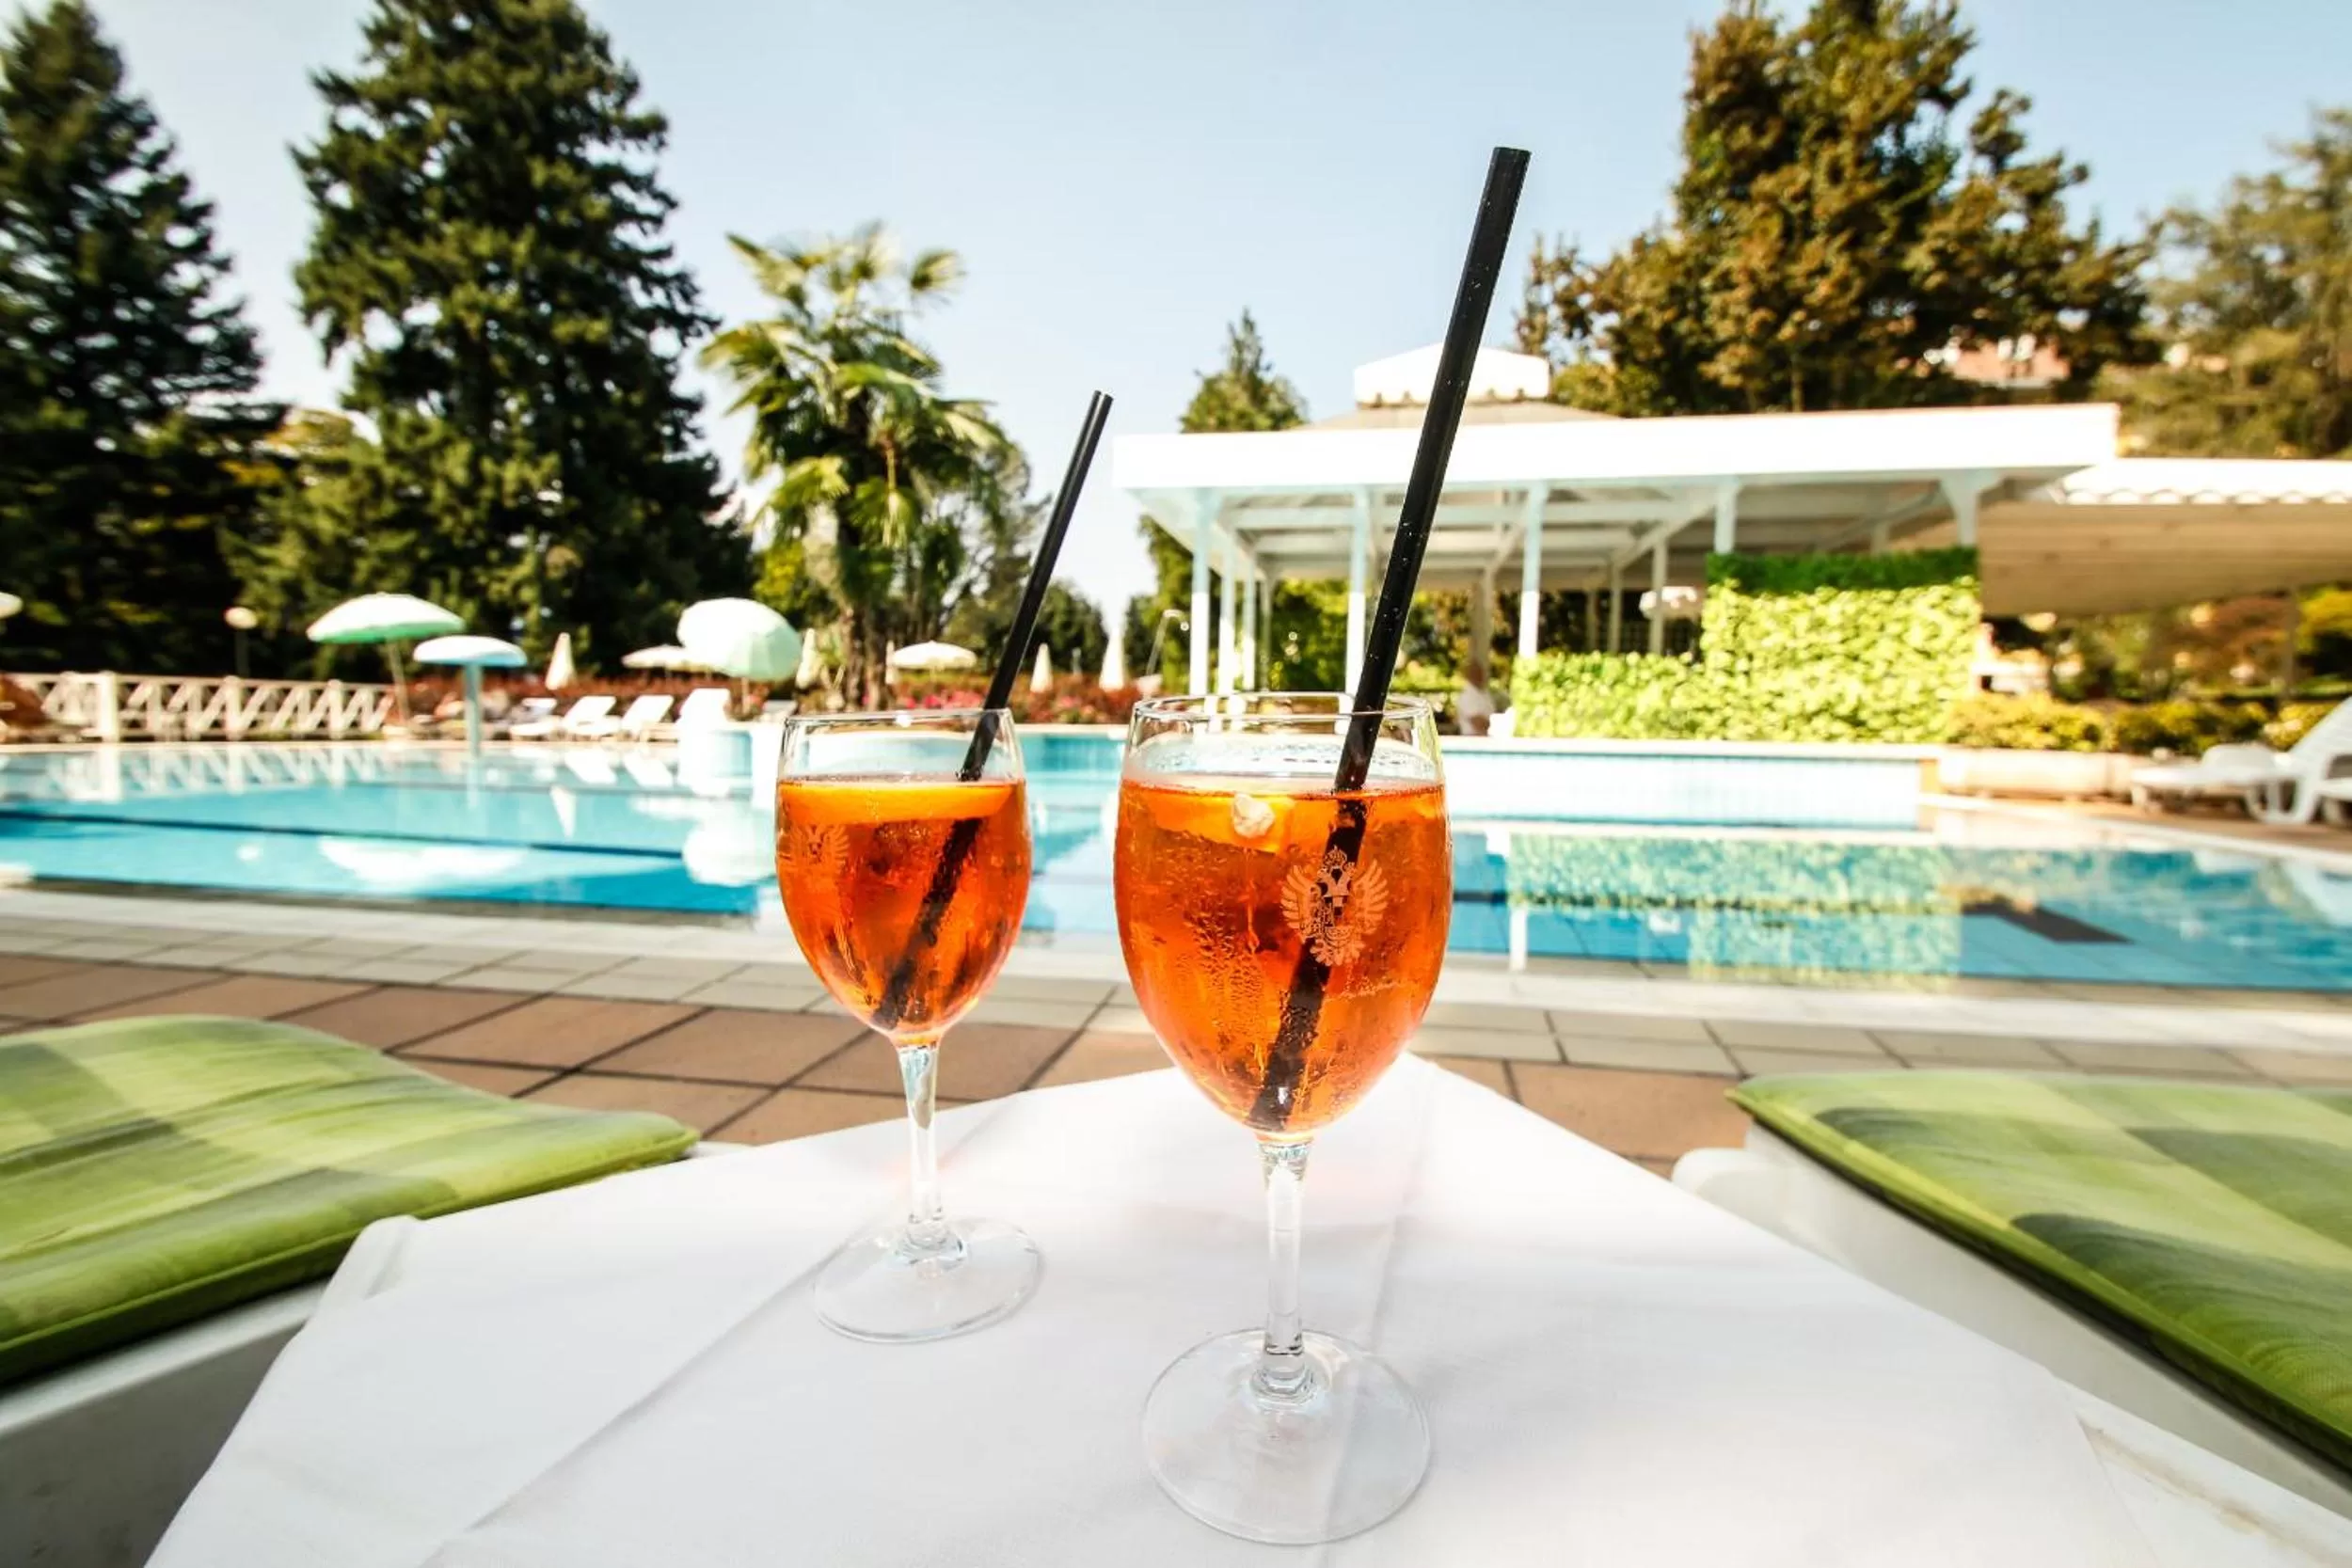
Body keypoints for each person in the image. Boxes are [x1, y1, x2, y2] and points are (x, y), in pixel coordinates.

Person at [1454, 657, 1498, 737]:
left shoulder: (1485, 693)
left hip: (1487, 737)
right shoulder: (1466, 696)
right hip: (1471, 739)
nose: (1479, 675)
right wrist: (1494, 723)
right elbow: (1478, 723)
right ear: (1468, 674)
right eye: (1475, 672)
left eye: (1480, 672)